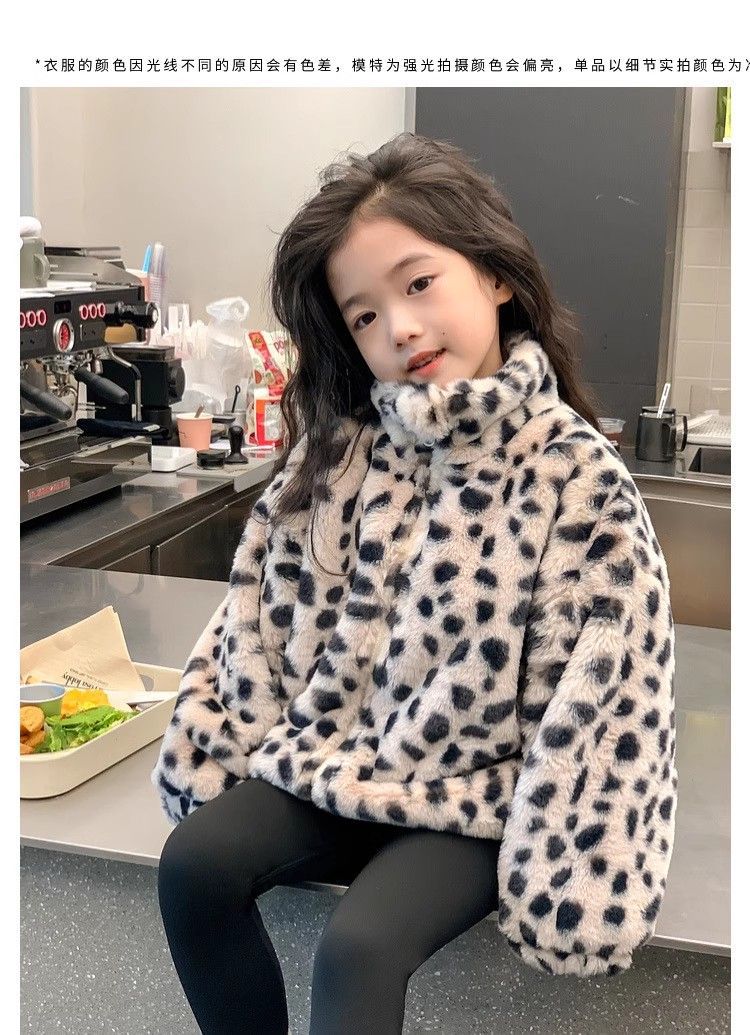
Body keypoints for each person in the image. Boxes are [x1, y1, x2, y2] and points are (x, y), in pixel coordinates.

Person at [153, 133, 678, 1034]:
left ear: (495, 274)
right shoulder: (340, 453)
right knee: (194, 864)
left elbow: (611, 687)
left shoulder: (576, 475)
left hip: (474, 796)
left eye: (420, 283)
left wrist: (571, 867)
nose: (397, 327)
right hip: (338, 761)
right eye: (363, 315)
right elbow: (256, 612)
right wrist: (221, 741)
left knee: (359, 947)